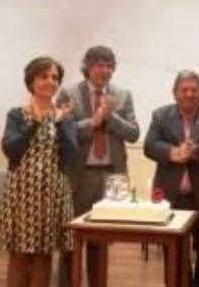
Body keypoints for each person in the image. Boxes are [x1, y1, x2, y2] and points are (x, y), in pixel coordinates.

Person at [57, 45, 140, 287]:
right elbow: (61, 132)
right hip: (79, 177)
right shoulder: (69, 93)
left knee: (100, 242)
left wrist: (110, 117)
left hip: (111, 178)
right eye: (99, 65)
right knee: (70, 242)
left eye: (109, 66)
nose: (105, 70)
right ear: (88, 67)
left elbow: (134, 134)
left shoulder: (123, 95)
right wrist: (92, 122)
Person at [0, 56, 78, 287]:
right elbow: (10, 149)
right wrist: (35, 123)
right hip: (22, 193)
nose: (50, 81)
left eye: (55, 77)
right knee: (19, 255)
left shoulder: (64, 117)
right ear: (31, 81)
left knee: (44, 255)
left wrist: (59, 123)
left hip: (53, 193)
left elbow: (71, 156)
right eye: (44, 76)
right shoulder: (17, 114)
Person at [144, 70, 199, 287]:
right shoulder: (161, 115)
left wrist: (193, 151)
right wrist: (172, 152)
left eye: (194, 89)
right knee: (175, 260)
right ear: (175, 93)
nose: (189, 94)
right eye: (184, 90)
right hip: (172, 199)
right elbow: (150, 145)